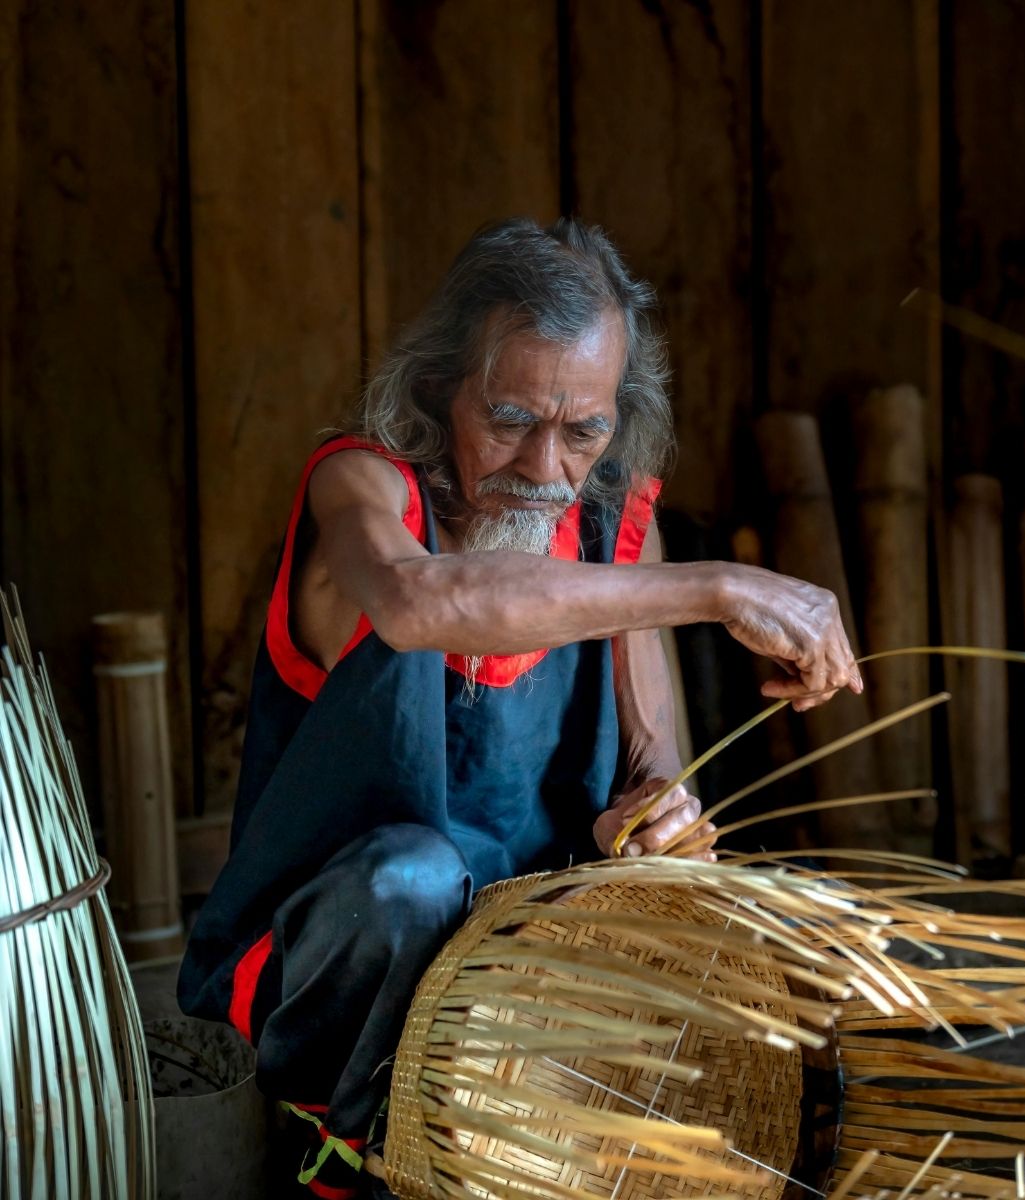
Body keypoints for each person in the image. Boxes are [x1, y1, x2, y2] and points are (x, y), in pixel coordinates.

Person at [177, 216, 862, 1197]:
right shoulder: (363, 490)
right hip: (324, 990)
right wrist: (720, 588)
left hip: (517, 997)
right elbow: (427, 605)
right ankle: (356, 1164)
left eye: (583, 430)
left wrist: (655, 816)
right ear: (439, 387)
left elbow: (654, 766)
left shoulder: (616, 528)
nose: (545, 468)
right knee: (409, 878)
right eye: (508, 418)